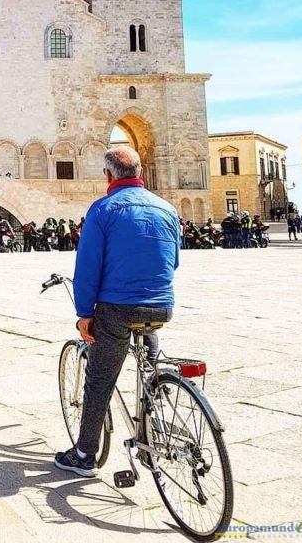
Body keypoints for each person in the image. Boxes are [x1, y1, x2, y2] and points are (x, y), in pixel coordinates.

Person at [54, 146, 178, 477]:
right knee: (145, 336)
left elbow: (88, 267)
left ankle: (84, 454)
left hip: (117, 308)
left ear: (108, 175)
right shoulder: (167, 209)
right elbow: (173, 261)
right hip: (162, 306)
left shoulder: (103, 209)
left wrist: (84, 313)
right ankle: (155, 388)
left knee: (99, 379)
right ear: (140, 171)